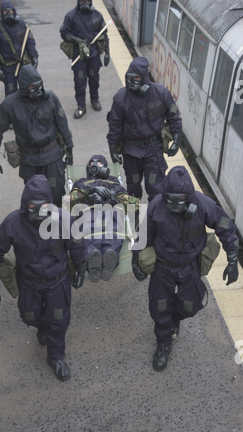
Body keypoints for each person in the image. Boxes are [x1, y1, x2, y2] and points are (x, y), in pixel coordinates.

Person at [131, 166, 239, 372]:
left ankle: (175, 319)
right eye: (170, 198)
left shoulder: (203, 204)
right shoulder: (156, 206)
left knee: (190, 305)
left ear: (188, 196)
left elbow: (224, 223)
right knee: (159, 308)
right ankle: (163, 345)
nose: (173, 204)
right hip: (163, 267)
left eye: (179, 199)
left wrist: (232, 258)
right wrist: (136, 260)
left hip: (189, 267)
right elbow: (143, 234)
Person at [0, 175, 87, 381]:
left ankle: (55, 357)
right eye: (33, 206)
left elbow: (77, 245)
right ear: (25, 205)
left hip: (57, 281)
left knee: (58, 319)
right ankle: (42, 326)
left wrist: (81, 269)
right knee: (28, 316)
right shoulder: (13, 223)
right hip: (29, 281)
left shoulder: (64, 220)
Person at [0, 64, 74, 207]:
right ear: (23, 88)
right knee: (34, 200)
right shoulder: (10, 104)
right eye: (33, 87)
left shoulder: (50, 98)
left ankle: (58, 227)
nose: (39, 90)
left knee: (56, 196)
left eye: (40, 85)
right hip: (29, 161)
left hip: (51, 157)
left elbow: (62, 122)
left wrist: (70, 148)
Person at [107, 57, 182, 202]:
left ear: (144, 78)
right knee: (133, 188)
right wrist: (112, 148)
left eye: (136, 78)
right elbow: (114, 125)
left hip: (153, 149)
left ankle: (154, 220)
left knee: (156, 188)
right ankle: (134, 218)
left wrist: (177, 140)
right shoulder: (120, 98)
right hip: (131, 151)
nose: (131, 82)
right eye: (129, 78)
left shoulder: (161, 94)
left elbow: (174, 117)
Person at [69, 155, 140, 282]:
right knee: (89, 229)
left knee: (113, 230)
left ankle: (110, 257)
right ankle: (92, 258)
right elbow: (68, 202)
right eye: (91, 163)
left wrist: (113, 197)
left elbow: (134, 204)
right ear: (87, 167)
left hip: (111, 211)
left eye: (99, 162)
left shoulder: (114, 182)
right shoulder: (81, 183)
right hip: (88, 212)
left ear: (106, 167)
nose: (95, 165)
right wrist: (89, 192)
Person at [60, 0, 110, 119]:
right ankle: (81, 106)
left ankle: (94, 100)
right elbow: (64, 33)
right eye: (82, 1)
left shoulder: (97, 15)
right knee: (80, 82)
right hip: (79, 55)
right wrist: (76, 40)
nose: (85, 3)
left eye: (87, 0)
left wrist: (107, 52)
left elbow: (104, 34)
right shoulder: (71, 16)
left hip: (94, 55)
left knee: (94, 79)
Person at [0, 0, 39, 97]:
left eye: (10, 11)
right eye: (5, 11)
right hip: (8, 68)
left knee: (28, 91)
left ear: (14, 11)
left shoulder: (22, 24)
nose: (8, 13)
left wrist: (34, 57)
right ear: (2, 13)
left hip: (23, 65)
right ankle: (12, 112)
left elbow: (30, 43)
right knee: (11, 94)